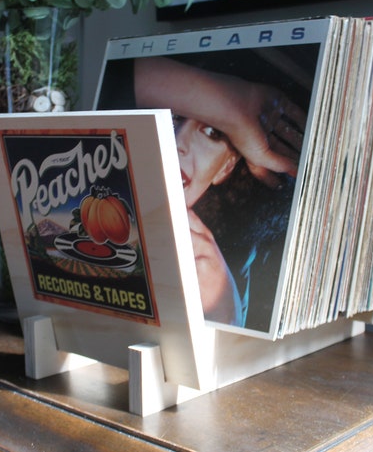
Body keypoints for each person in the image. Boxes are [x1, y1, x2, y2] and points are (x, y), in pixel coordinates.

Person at [99, 50, 314, 328]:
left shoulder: (218, 282)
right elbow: (110, 78)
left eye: (212, 133)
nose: (179, 142)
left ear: (225, 169)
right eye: (174, 117)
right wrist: (232, 104)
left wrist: (225, 314)